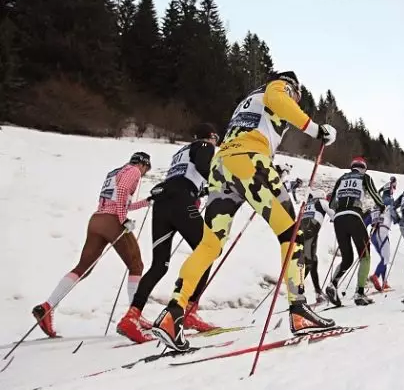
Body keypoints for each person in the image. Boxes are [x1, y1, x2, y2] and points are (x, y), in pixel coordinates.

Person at [152, 71, 338, 351]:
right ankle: (299, 310)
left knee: (209, 245)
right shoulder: (279, 87)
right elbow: (278, 99)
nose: (297, 99)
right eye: (297, 94)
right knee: (292, 234)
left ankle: (173, 313)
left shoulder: (246, 101)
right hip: (250, 162)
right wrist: (316, 130)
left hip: (222, 168)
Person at [117, 125, 219, 344]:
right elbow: (203, 169)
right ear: (211, 137)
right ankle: (189, 311)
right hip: (181, 202)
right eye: (215, 139)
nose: (215, 143)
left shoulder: (180, 152)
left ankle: (132, 316)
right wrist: (221, 184)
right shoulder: (204, 145)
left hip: (162, 204)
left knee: (159, 265)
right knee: (209, 250)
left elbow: (185, 177)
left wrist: (202, 190)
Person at [33, 153, 152, 338]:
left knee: (83, 268)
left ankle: (47, 306)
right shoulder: (134, 171)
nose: (143, 174)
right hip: (112, 221)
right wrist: (123, 219)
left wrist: (146, 202)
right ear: (143, 164)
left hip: (97, 220)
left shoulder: (116, 172)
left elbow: (120, 199)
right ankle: (134, 315)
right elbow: (121, 193)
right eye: (146, 169)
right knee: (137, 265)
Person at [325, 156, 384, 307]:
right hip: (354, 216)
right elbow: (375, 195)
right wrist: (382, 207)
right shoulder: (364, 177)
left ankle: (333, 284)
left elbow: (332, 203)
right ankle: (360, 293)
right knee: (365, 255)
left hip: (338, 219)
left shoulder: (341, 178)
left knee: (347, 258)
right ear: (363, 167)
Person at [301, 189, 335, 304]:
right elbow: (333, 213)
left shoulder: (307, 205)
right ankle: (297, 292)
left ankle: (317, 292)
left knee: (312, 261)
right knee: (310, 261)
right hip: (311, 230)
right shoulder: (321, 201)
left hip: (301, 232)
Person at [367, 202, 400, 292]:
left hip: (373, 235)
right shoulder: (389, 208)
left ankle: (384, 282)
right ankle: (375, 276)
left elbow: (365, 222)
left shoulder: (373, 210)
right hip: (382, 232)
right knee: (386, 258)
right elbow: (397, 219)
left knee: (383, 258)